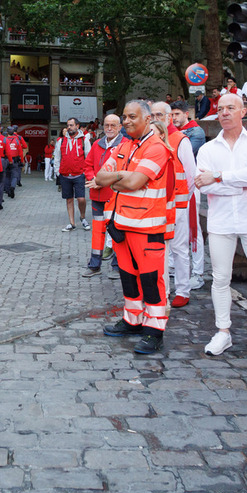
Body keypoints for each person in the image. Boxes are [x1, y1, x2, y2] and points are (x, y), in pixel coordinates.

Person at [193, 93, 247, 366]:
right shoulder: (208, 149)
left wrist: (220, 176)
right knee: (220, 279)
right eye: (220, 109)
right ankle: (222, 331)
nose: (225, 112)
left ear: (244, 111)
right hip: (221, 221)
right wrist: (242, 179)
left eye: (231, 108)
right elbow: (202, 185)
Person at [88, 100, 173, 354]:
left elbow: (134, 182)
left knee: (150, 281)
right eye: (124, 117)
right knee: (128, 278)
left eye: (131, 117)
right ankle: (132, 320)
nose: (126, 121)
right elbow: (99, 178)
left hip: (146, 227)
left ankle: (154, 331)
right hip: (121, 225)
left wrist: (119, 178)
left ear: (147, 119)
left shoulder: (156, 147)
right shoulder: (125, 146)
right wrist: (121, 178)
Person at [153, 102, 197, 308]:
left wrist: (182, 202)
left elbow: (190, 175)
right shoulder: (152, 139)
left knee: (179, 249)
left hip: (178, 204)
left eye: (159, 114)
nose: (155, 118)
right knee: (160, 249)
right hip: (157, 205)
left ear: (169, 117)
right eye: (152, 114)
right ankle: (164, 290)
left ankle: (182, 289)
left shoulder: (181, 140)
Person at [82, 113, 122, 277]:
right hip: (97, 195)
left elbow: (122, 172)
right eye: (107, 125)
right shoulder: (97, 144)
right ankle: (94, 265)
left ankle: (117, 267)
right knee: (97, 232)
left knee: (117, 231)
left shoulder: (125, 145)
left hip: (114, 196)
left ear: (120, 127)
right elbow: (88, 165)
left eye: (113, 125)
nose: (109, 128)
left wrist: (101, 182)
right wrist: (94, 179)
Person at [171, 101, 205, 289]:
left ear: (187, 114)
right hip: (176, 187)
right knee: (177, 229)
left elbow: (180, 156)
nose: (174, 118)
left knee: (194, 229)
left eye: (177, 114)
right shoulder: (173, 134)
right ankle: (177, 269)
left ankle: (198, 272)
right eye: (172, 115)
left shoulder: (195, 132)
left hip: (192, 185)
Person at [54, 117, 91, 231]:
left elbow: (88, 157)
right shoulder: (61, 140)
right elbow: (57, 157)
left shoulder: (83, 139)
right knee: (69, 199)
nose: (69, 127)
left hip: (79, 174)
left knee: (81, 199)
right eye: (68, 125)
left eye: (71, 125)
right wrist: (57, 172)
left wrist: (86, 173)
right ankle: (72, 223)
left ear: (77, 126)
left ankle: (83, 217)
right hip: (65, 175)